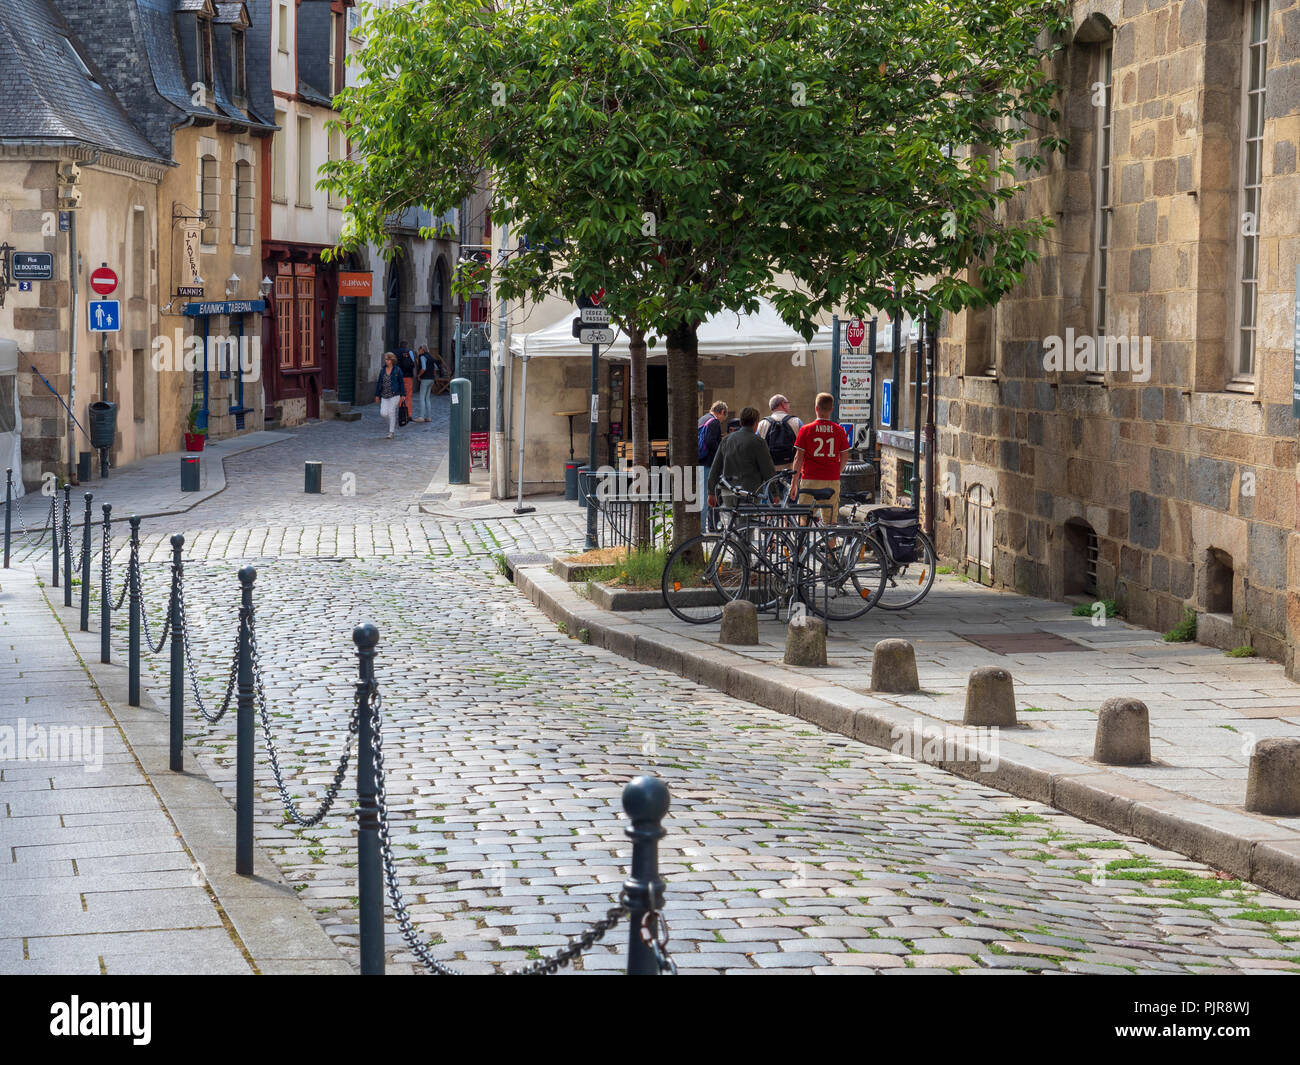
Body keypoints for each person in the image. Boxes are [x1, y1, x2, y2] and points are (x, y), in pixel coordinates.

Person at [787, 392, 849, 522]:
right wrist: (837, 472)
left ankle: (803, 542)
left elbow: (798, 458)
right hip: (831, 480)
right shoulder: (839, 430)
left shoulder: (806, 430)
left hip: (810, 479)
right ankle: (830, 542)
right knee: (830, 522)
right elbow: (844, 456)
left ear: (816, 408)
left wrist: (794, 483)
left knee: (804, 519)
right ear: (832, 409)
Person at [707, 406, 776, 513]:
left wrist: (711, 492)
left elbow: (715, 468)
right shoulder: (758, 442)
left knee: (732, 525)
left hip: (728, 491)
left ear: (740, 422)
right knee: (748, 526)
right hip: (750, 491)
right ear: (756, 422)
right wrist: (775, 493)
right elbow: (767, 469)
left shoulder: (726, 440)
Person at [697, 400, 728, 531]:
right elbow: (710, 442)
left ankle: (712, 526)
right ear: (721, 412)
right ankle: (702, 530)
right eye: (723, 417)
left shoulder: (702, 419)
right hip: (708, 463)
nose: (722, 420)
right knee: (706, 497)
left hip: (699, 461)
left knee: (705, 496)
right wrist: (720, 454)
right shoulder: (714, 422)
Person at [756, 393, 803, 472]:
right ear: (783, 404)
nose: (789, 406)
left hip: (770, 471)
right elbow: (804, 446)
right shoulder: (797, 422)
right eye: (788, 403)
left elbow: (757, 448)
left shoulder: (762, 424)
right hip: (791, 470)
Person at [374, 352, 405, 439]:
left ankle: (391, 432)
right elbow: (379, 383)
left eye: (387, 359)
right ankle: (392, 424)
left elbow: (401, 383)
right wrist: (377, 395)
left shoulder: (397, 370)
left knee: (391, 412)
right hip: (384, 395)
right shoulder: (382, 370)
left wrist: (403, 394)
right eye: (385, 359)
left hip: (395, 395)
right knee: (383, 413)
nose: (385, 361)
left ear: (391, 360)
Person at [414, 342, 436, 422]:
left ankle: (421, 417)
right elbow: (435, 368)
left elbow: (423, 368)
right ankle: (429, 417)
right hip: (431, 379)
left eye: (419, 350)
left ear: (422, 350)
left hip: (425, 379)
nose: (418, 352)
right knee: (427, 398)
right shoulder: (430, 357)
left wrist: (419, 375)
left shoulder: (423, 357)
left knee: (422, 398)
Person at [395, 342, 416, 419]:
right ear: (406, 346)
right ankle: (409, 414)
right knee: (408, 396)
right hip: (408, 377)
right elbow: (413, 364)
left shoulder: (395, 352)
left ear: (399, 346)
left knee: (400, 395)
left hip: (398, 377)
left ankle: (401, 413)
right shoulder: (409, 352)